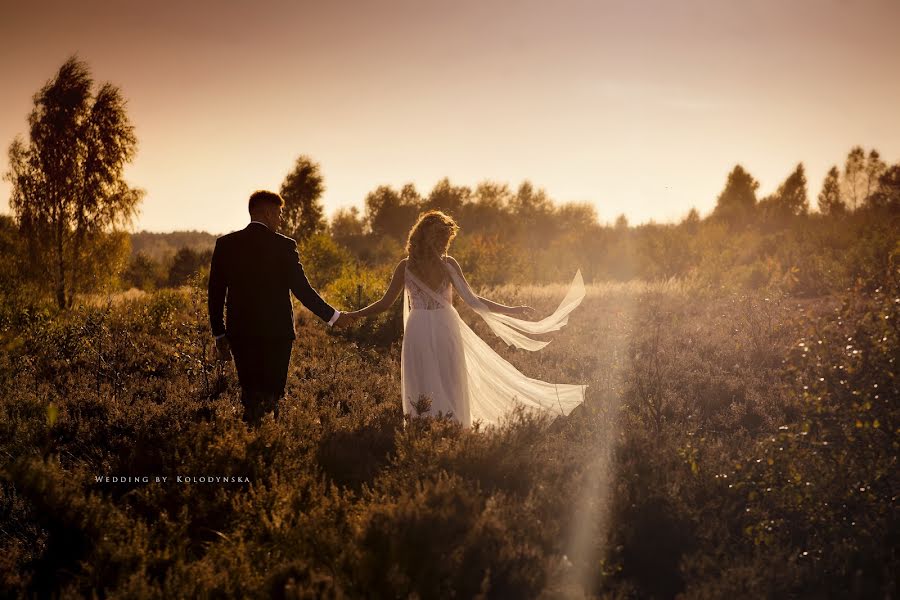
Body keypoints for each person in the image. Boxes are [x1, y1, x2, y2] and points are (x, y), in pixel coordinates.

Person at [344, 210, 586, 428]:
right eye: (442, 239)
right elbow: (474, 301)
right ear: (431, 238)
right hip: (441, 325)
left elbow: (386, 304)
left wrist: (355, 314)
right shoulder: (440, 265)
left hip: (421, 326)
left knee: (431, 376)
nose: (444, 244)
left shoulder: (409, 266)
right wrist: (510, 309)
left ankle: (429, 426)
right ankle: (451, 426)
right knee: (446, 376)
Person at [208, 190, 354, 425]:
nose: (281, 219)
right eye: (279, 213)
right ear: (267, 213)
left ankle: (251, 441)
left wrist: (219, 332)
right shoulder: (284, 246)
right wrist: (334, 317)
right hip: (277, 335)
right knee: (273, 395)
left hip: (241, 334)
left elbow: (215, 293)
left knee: (250, 394)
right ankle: (272, 441)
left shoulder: (226, 245)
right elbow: (303, 291)